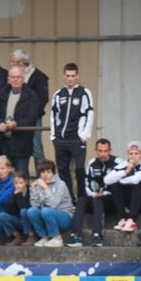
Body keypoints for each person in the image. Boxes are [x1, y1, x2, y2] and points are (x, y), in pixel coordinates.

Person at [50, 63, 94, 198]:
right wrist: (53, 136)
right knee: (63, 170)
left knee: (80, 169)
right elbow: (54, 116)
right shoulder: (58, 94)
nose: (70, 79)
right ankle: (69, 199)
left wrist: (84, 134)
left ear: (77, 76)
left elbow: (89, 113)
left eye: (73, 76)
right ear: (64, 76)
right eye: (68, 76)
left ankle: (81, 197)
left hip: (77, 138)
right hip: (61, 139)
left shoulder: (84, 93)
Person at [69, 138, 121, 247]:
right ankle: (76, 237)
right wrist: (93, 194)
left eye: (105, 151)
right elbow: (87, 182)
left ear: (110, 150)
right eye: (100, 151)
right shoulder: (92, 163)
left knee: (98, 200)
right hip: (95, 197)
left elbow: (121, 185)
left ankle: (97, 236)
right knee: (82, 200)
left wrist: (104, 193)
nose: (103, 154)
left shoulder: (118, 162)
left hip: (112, 201)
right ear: (95, 151)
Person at [0, 67, 42, 179]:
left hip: (22, 143)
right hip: (3, 142)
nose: (15, 80)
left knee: (21, 176)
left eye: (18, 77)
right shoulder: (1, 94)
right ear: (8, 79)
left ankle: (22, 197)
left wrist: (17, 124)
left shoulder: (31, 95)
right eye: (13, 77)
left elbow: (32, 118)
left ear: (23, 79)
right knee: (4, 177)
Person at [104, 142, 141, 233]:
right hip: (134, 202)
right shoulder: (125, 164)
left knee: (136, 183)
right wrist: (125, 171)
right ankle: (122, 218)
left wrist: (121, 180)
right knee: (114, 185)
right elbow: (107, 180)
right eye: (131, 154)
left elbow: (136, 179)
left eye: (136, 153)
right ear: (127, 154)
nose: (133, 156)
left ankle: (132, 220)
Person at [9, 49, 50, 165]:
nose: (11, 65)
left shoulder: (39, 77)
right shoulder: (12, 77)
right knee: (18, 148)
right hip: (16, 119)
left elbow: (43, 99)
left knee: (36, 148)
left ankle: (42, 175)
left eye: (12, 62)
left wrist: (31, 115)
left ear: (20, 63)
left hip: (34, 119)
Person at [26, 160, 75, 247]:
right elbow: (35, 205)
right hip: (47, 216)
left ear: (53, 172)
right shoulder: (38, 184)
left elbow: (53, 205)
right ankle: (44, 237)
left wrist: (45, 188)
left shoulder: (60, 184)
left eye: (48, 172)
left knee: (46, 211)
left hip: (64, 217)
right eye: (43, 172)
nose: (45, 175)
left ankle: (57, 238)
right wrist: (33, 189)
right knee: (31, 211)